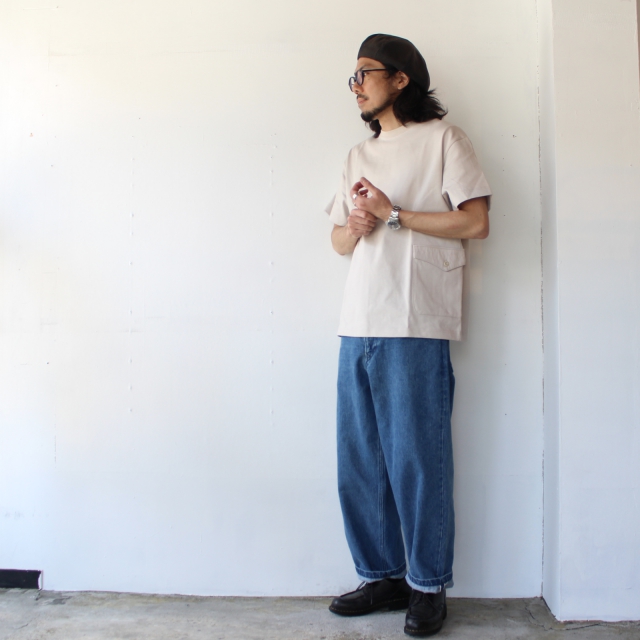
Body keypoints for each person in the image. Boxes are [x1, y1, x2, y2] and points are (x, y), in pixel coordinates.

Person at [325, 34, 492, 637]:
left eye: (365, 73)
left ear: (400, 79)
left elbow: (476, 222)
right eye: (352, 77)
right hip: (358, 322)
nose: (356, 86)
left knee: (418, 460)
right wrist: (357, 224)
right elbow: (339, 243)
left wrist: (394, 215)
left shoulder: (445, 140)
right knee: (360, 461)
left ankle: (427, 584)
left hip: (416, 319)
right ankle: (382, 576)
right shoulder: (357, 154)